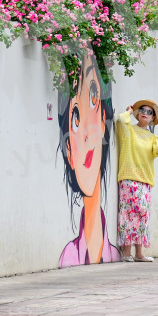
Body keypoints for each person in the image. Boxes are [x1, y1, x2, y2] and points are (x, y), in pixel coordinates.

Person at [58, 53, 121, 267]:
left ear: (103, 120)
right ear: (68, 150)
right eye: (76, 117)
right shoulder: (68, 256)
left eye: (94, 96)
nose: (87, 132)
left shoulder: (112, 252)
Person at [115, 99, 158, 262]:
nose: (145, 113)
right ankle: (126, 252)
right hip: (129, 177)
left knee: (142, 215)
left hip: (145, 180)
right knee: (128, 215)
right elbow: (120, 120)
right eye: (142, 110)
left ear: (153, 118)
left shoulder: (152, 138)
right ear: (138, 113)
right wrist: (129, 111)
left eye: (149, 112)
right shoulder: (129, 130)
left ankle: (139, 253)